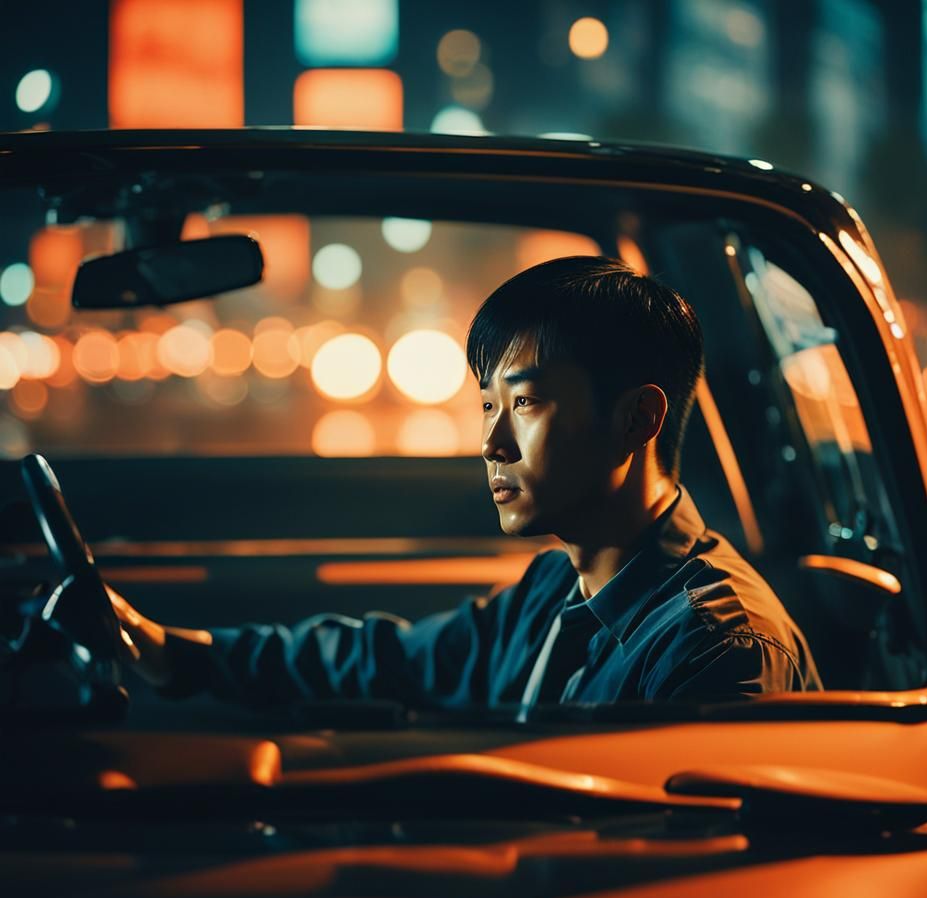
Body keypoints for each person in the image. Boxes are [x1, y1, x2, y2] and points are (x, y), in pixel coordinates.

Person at [110, 255, 821, 712]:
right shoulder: (552, 593)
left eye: (527, 402)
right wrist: (176, 653)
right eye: (488, 405)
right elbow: (388, 659)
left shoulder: (719, 650)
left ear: (637, 419)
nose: (491, 442)